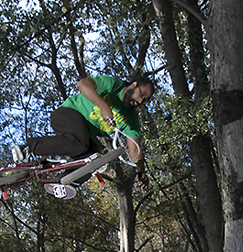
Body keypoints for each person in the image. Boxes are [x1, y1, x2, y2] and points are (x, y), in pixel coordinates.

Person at [12, 73, 155, 189]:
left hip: (83, 134)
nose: (140, 101)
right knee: (79, 143)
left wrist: (141, 171)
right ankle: (28, 148)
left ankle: (63, 181)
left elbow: (135, 149)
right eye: (141, 94)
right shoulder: (113, 85)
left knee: (96, 159)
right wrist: (104, 106)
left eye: (145, 100)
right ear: (133, 85)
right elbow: (82, 84)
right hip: (67, 114)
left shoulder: (131, 119)